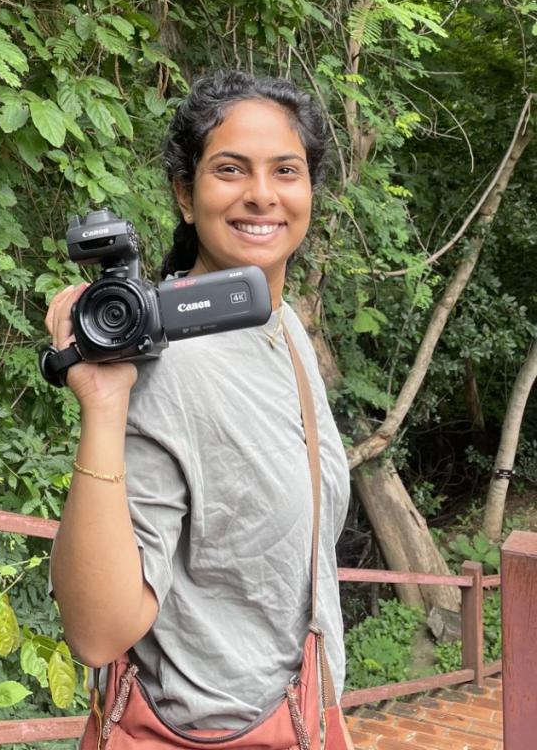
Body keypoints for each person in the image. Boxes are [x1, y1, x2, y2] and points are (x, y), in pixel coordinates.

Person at [46, 70, 351, 736]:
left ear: (309, 191)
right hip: (210, 730)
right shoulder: (169, 365)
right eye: (231, 169)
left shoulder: (283, 324)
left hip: (300, 713)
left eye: (286, 170)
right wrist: (103, 406)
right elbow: (98, 633)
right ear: (187, 196)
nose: (262, 195)